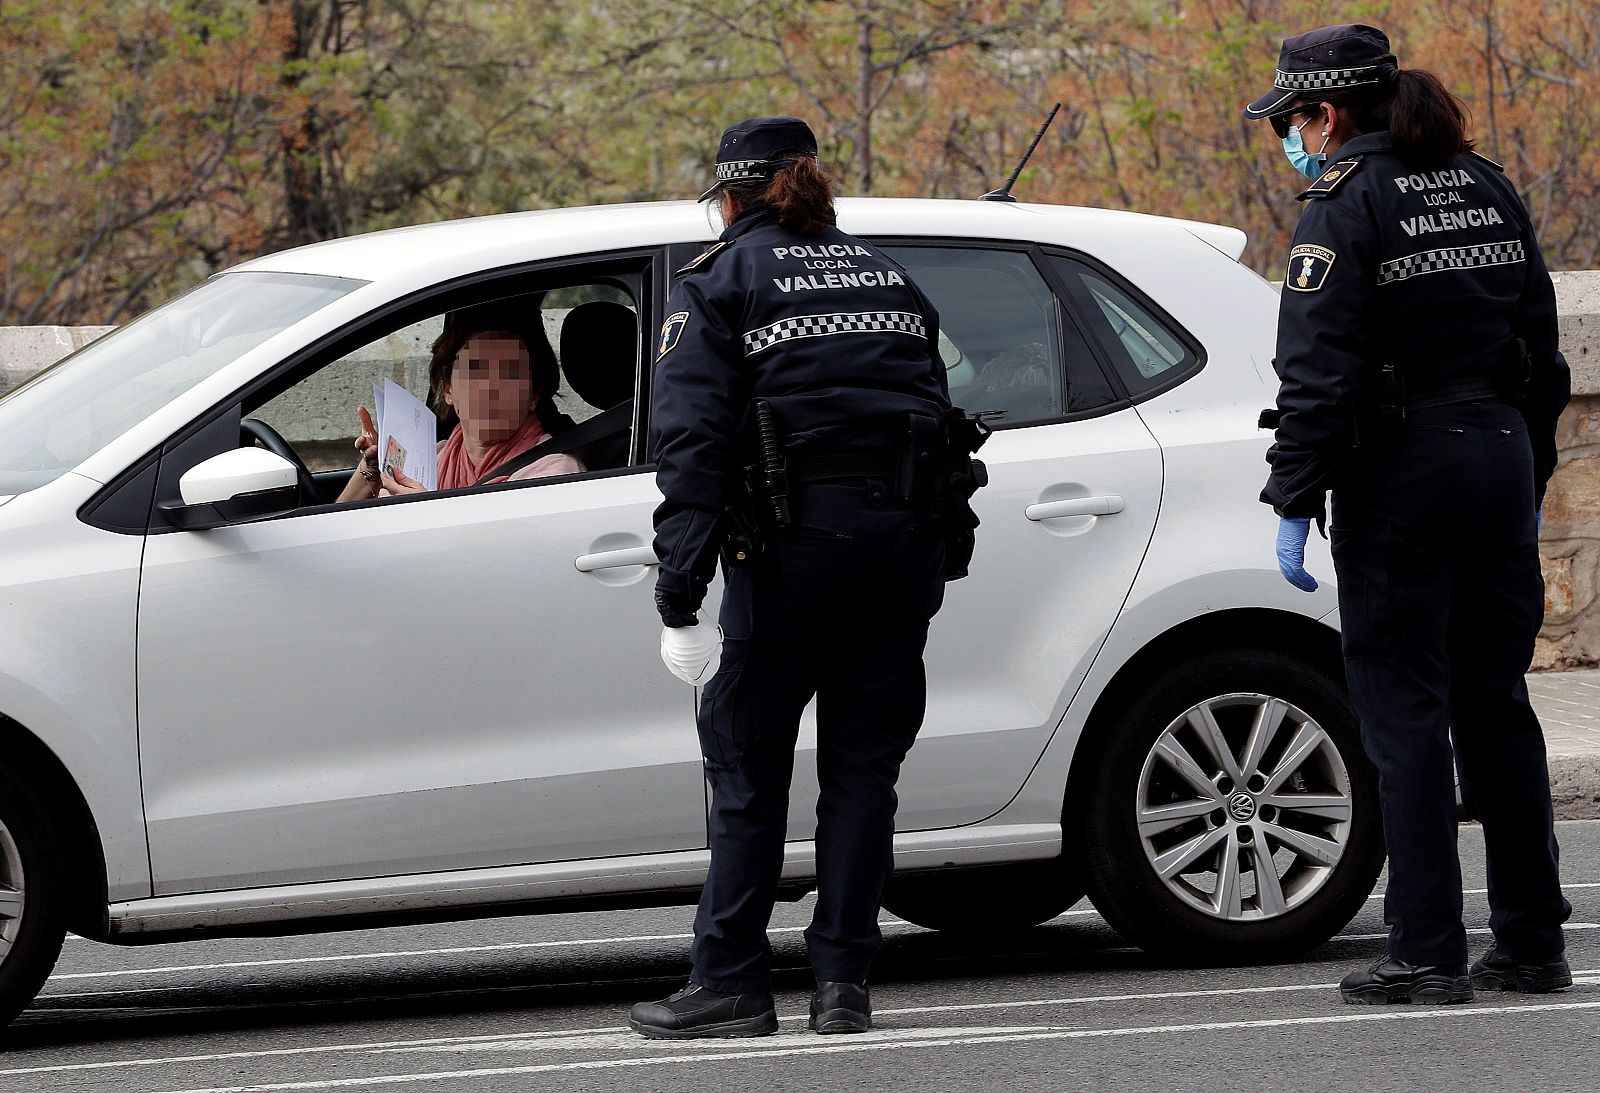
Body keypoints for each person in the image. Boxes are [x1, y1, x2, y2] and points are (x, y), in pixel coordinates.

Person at [1247, 24, 1573, 1004]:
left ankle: (1426, 949)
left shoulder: (1341, 206)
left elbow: (1315, 372)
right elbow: (1543, 353)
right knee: (1497, 705)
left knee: (1404, 716)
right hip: (1497, 457)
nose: (1290, 141)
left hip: (1402, 475)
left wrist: (1293, 494)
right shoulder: (1485, 184)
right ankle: (1528, 942)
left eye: (1292, 122)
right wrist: (1528, 462)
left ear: (1328, 114)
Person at [630, 116, 951, 1039]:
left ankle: (731, 979)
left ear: (729, 197)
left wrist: (678, 589)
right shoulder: (887, 274)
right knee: (863, 772)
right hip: (903, 549)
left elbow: (690, 446)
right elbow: (935, 402)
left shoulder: (720, 283)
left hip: (790, 552)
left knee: (746, 764)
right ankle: (843, 983)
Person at [337, 303, 583, 501]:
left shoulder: (554, 473)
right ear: (448, 390)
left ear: (533, 395)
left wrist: (428, 512)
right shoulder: (431, 458)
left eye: (509, 373)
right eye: (475, 371)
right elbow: (338, 533)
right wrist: (372, 466)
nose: (490, 387)